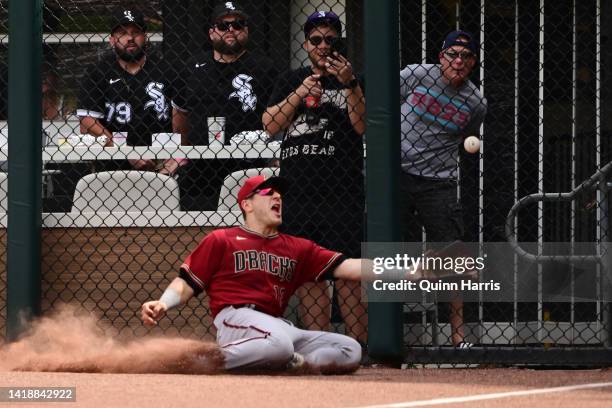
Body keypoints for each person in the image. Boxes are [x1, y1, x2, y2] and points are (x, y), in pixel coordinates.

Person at [140, 174, 464, 372]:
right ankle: (200, 360)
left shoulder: (297, 247)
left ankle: (296, 367)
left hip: (277, 327)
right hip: (236, 318)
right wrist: (164, 303)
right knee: (279, 344)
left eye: (279, 194)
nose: (278, 197)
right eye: (268, 193)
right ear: (247, 204)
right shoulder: (222, 239)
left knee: (348, 349)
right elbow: (188, 282)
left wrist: (411, 270)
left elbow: (350, 267)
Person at [262, 11, 367, 347]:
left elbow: (363, 126)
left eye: (330, 40)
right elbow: (270, 124)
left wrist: (349, 83)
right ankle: (321, 347)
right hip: (299, 191)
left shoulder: (353, 78)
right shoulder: (292, 78)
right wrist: (299, 93)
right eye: (316, 40)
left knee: (348, 274)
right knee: (309, 274)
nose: (323, 46)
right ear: (306, 45)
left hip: (342, 189)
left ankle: (360, 348)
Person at [399, 30, 488, 347]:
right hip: (396, 172)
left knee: (453, 252)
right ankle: (377, 333)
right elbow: (383, 106)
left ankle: (458, 336)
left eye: (466, 57)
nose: (459, 62)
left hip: (439, 178)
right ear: (441, 57)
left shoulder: (476, 102)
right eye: (453, 54)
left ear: (473, 63)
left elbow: (468, 137)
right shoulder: (414, 75)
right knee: (382, 243)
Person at [172, 1, 278, 210]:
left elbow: (276, 117)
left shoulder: (265, 68)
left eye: (238, 25)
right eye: (223, 25)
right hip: (200, 168)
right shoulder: (192, 67)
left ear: (246, 31)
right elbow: (180, 115)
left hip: (249, 165)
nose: (231, 30)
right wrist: (182, 154)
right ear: (211, 33)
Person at [77, 9, 180, 175]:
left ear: (145, 37)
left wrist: (177, 156)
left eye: (136, 32)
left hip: (161, 163)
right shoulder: (97, 72)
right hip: (111, 165)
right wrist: (125, 151)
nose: (130, 38)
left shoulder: (166, 70)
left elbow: (182, 115)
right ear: (112, 40)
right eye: (122, 33)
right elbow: (87, 122)